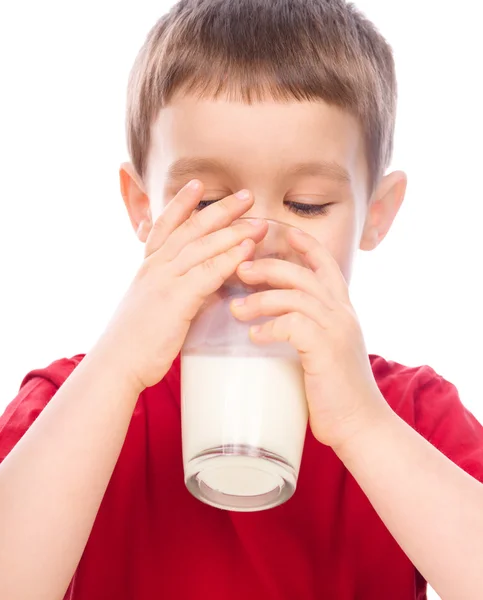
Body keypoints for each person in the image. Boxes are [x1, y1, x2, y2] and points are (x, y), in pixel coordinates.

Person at [1, 0, 482, 598]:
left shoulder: (410, 413)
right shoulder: (72, 402)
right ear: (142, 208)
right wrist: (116, 367)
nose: (253, 242)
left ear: (376, 215)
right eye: (208, 206)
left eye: (306, 204)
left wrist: (363, 425)